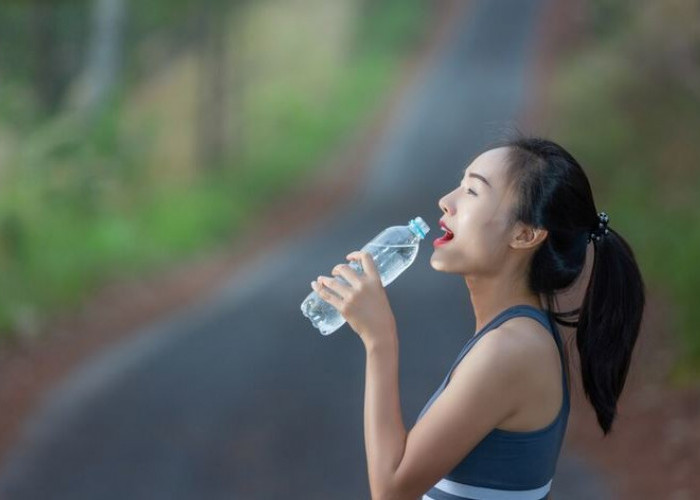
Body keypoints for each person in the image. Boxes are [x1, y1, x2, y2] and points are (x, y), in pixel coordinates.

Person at [310, 134, 646, 500]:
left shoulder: (512, 349)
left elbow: (392, 489)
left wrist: (379, 340)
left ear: (524, 234)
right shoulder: (512, 337)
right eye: (460, 183)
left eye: (472, 191)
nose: (446, 201)